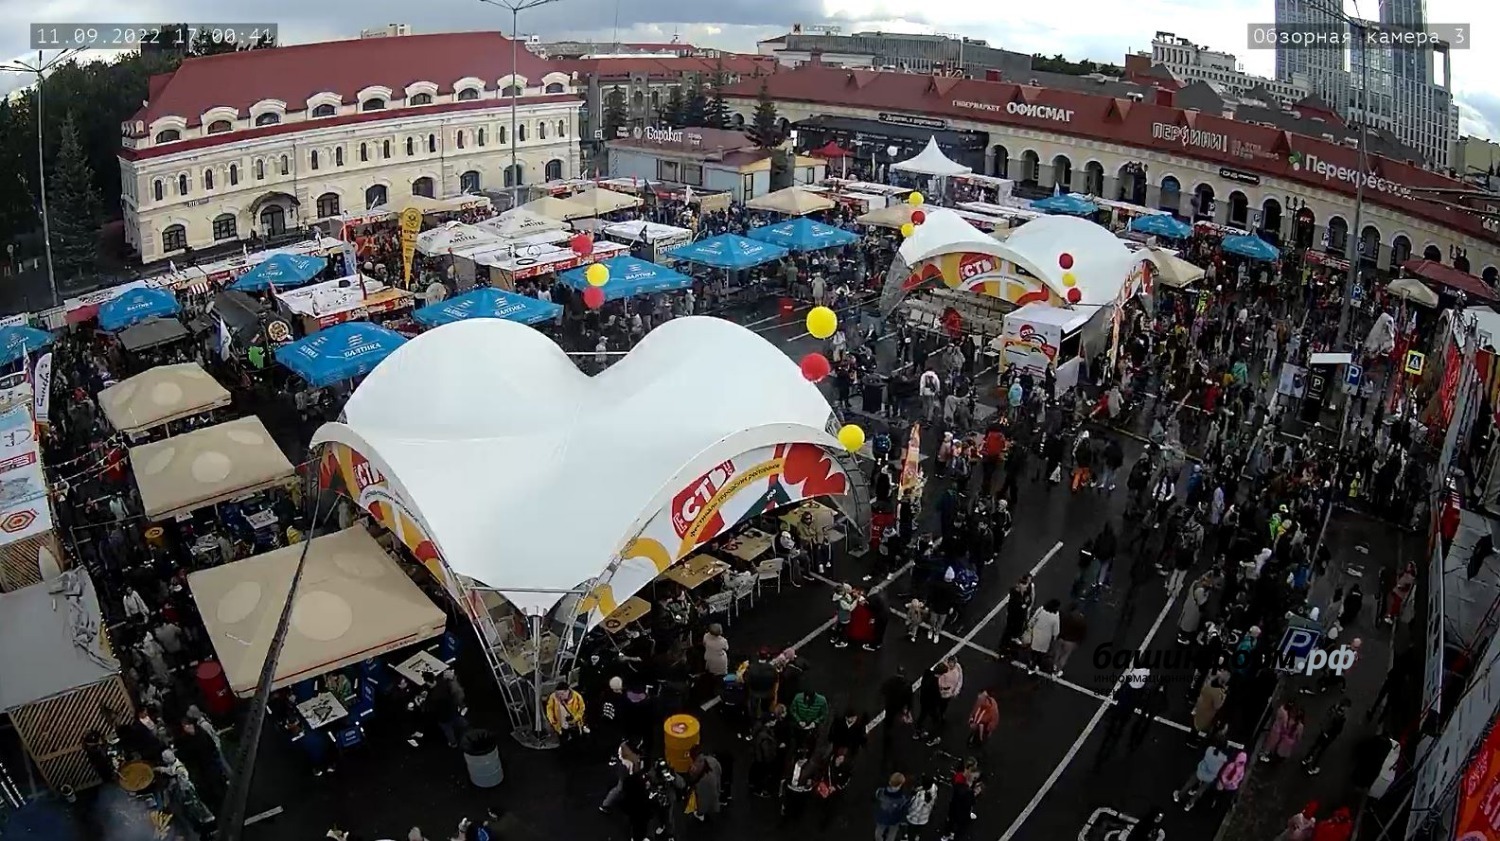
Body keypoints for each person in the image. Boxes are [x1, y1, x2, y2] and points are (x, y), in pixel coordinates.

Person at [1173, 739, 1229, 811]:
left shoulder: (1210, 750)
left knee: (1189, 783)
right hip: (1210, 777)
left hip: (1201, 771)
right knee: (1200, 791)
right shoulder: (1224, 758)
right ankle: (1190, 803)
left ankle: (1179, 795)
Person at [1301, 698, 1351, 775]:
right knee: (1321, 751)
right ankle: (1312, 767)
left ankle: (1307, 758)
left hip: (1323, 730)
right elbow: (1338, 730)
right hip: (1329, 735)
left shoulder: (1333, 707)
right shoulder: (1341, 717)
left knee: (1315, 745)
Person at [684, 745, 723, 821]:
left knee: (702, 802)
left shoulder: (694, 768)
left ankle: (700, 814)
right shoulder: (712, 760)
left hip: (702, 790)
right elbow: (719, 770)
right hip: (714, 787)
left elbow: (691, 778)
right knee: (712, 800)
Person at [1024, 599, 1062, 674]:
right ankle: (1037, 664)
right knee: (1041, 653)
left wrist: (1029, 626)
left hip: (1036, 633)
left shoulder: (1041, 609)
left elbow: (1034, 618)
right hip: (1046, 638)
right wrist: (1054, 638)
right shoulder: (1055, 616)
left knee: (1033, 650)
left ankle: (1031, 664)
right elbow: (1056, 631)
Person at [874, 773, 912, 841]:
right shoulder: (902, 799)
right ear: (900, 785)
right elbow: (905, 808)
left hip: (882, 818)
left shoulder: (881, 792)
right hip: (894, 819)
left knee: (879, 833)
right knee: (891, 835)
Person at [1053, 602, 1087, 674]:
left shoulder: (1064, 616)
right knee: (1064, 656)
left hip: (1061, 638)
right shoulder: (1081, 621)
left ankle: (1054, 666)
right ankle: (1058, 670)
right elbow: (1082, 634)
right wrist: (1078, 643)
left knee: (1057, 653)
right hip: (1071, 642)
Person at [904, 774, 939, 840]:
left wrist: (908, 815)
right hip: (924, 818)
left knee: (911, 834)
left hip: (914, 820)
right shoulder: (934, 789)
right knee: (919, 830)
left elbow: (916, 809)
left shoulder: (920, 797)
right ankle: (917, 836)